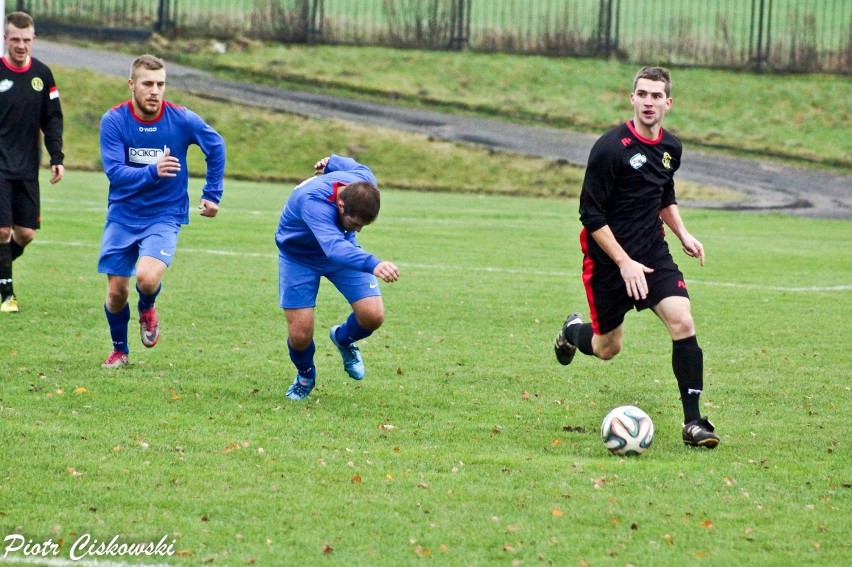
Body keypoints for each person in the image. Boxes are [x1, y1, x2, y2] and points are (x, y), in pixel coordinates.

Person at [553, 66, 720, 449]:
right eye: (642, 94)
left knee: (682, 320)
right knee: (606, 348)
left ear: (668, 103)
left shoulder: (671, 149)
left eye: (656, 96)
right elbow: (591, 216)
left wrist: (683, 234)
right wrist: (624, 262)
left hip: (652, 253)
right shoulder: (609, 149)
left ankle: (694, 423)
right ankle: (571, 331)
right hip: (609, 263)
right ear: (632, 98)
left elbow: (663, 195)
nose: (649, 102)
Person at [98, 54, 225, 368]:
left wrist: (212, 193)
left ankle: (147, 307)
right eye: (148, 84)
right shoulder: (114, 120)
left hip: (164, 213)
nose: (155, 91)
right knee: (116, 292)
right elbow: (115, 173)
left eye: (160, 84)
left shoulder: (181, 119)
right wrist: (152, 171)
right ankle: (120, 351)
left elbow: (216, 146)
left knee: (147, 277)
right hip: (123, 213)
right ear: (132, 85)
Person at [276, 155, 400, 400]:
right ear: (341, 205)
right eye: (355, 223)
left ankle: (343, 339)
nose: (358, 230)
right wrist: (373, 264)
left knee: (373, 315)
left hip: (343, 252)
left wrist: (331, 162)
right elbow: (333, 246)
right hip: (299, 257)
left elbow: (354, 164)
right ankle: (305, 375)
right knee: (300, 335)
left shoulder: (363, 179)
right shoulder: (314, 201)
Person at [0, 11, 64, 313]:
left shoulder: (43, 75)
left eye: (26, 40)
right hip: (0, 167)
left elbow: (52, 119)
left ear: (33, 39)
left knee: (25, 234)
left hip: (27, 168)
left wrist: (56, 157)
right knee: (1, 231)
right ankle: (6, 295)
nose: (21, 45)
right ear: (5, 39)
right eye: (15, 39)